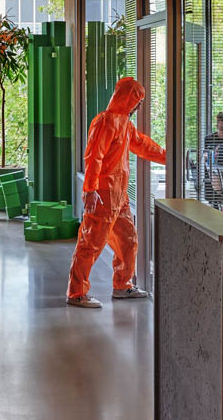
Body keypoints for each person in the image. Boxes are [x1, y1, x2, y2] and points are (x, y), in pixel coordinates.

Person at [66, 76, 166, 308]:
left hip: (119, 197)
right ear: (127, 98)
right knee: (91, 243)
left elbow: (143, 145)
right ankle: (76, 293)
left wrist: (167, 156)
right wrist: (90, 189)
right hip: (102, 195)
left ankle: (123, 285)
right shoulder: (105, 121)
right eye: (137, 100)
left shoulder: (124, 124)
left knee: (128, 240)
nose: (139, 105)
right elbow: (94, 157)